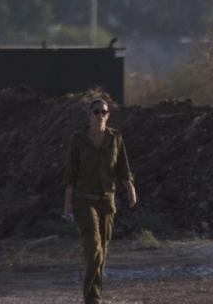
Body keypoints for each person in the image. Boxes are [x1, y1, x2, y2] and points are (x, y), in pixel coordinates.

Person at [63, 97, 137, 304]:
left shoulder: (115, 138)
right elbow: (70, 174)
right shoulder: (78, 139)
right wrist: (68, 204)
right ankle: (92, 297)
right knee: (94, 247)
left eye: (103, 112)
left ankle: (95, 293)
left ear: (108, 115)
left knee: (102, 250)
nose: (100, 116)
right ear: (89, 115)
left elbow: (123, 168)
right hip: (84, 200)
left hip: (107, 200)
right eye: (96, 112)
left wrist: (130, 189)